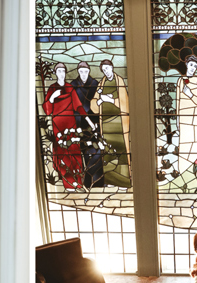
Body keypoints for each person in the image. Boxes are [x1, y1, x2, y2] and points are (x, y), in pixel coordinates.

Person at [43, 62, 97, 190]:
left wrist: (89, 121)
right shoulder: (52, 88)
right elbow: (47, 111)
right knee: (63, 153)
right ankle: (68, 183)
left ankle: (78, 182)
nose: (61, 73)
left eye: (63, 71)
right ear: (55, 73)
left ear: (65, 73)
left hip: (70, 124)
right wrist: (51, 98)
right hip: (58, 125)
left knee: (74, 151)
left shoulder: (69, 87)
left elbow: (78, 106)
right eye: (59, 71)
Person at [90, 59, 131, 188]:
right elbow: (94, 104)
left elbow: (125, 103)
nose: (106, 71)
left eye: (107, 68)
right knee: (107, 151)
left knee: (121, 151)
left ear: (112, 67)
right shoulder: (101, 83)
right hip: (106, 125)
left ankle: (124, 181)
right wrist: (99, 102)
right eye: (103, 70)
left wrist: (111, 100)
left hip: (118, 124)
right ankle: (110, 180)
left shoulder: (119, 81)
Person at [70, 61, 103, 188]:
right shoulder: (73, 85)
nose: (83, 74)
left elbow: (96, 102)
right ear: (78, 72)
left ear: (89, 71)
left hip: (93, 120)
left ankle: (97, 181)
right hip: (79, 121)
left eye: (86, 71)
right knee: (84, 150)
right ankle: (87, 181)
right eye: (81, 71)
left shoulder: (95, 84)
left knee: (97, 149)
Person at [176, 55, 197, 175]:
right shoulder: (180, 81)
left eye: (195, 66)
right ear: (186, 64)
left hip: (196, 118)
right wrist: (178, 119)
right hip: (184, 117)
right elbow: (178, 101)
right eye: (191, 65)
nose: (193, 68)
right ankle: (184, 170)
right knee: (185, 144)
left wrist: (190, 94)